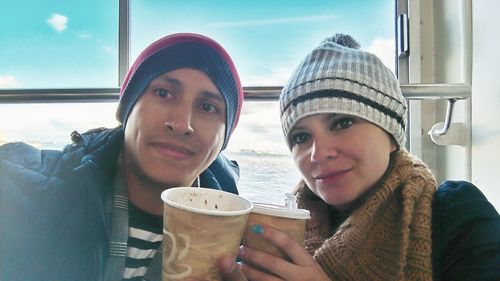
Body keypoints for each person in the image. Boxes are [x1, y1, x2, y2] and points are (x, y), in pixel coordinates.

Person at [222, 34, 500, 281]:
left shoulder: (457, 214)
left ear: (391, 135)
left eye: (343, 123)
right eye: (301, 137)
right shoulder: (291, 226)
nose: (319, 153)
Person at [0, 33, 244, 281]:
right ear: (127, 109)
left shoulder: (244, 249)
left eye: (207, 107)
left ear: (223, 140)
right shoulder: (18, 196)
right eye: (163, 93)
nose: (182, 124)